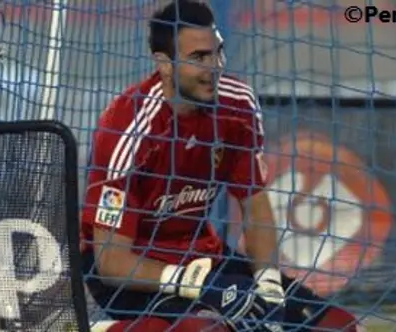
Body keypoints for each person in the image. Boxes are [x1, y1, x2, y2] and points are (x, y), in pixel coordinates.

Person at [80, 1, 361, 331]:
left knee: (342, 326)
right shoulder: (128, 127)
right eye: (200, 57)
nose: (215, 67)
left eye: (218, 53)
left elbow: (255, 207)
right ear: (164, 64)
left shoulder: (237, 105)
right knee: (211, 330)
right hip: (131, 272)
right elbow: (111, 261)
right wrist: (196, 285)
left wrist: (269, 284)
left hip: (204, 259)